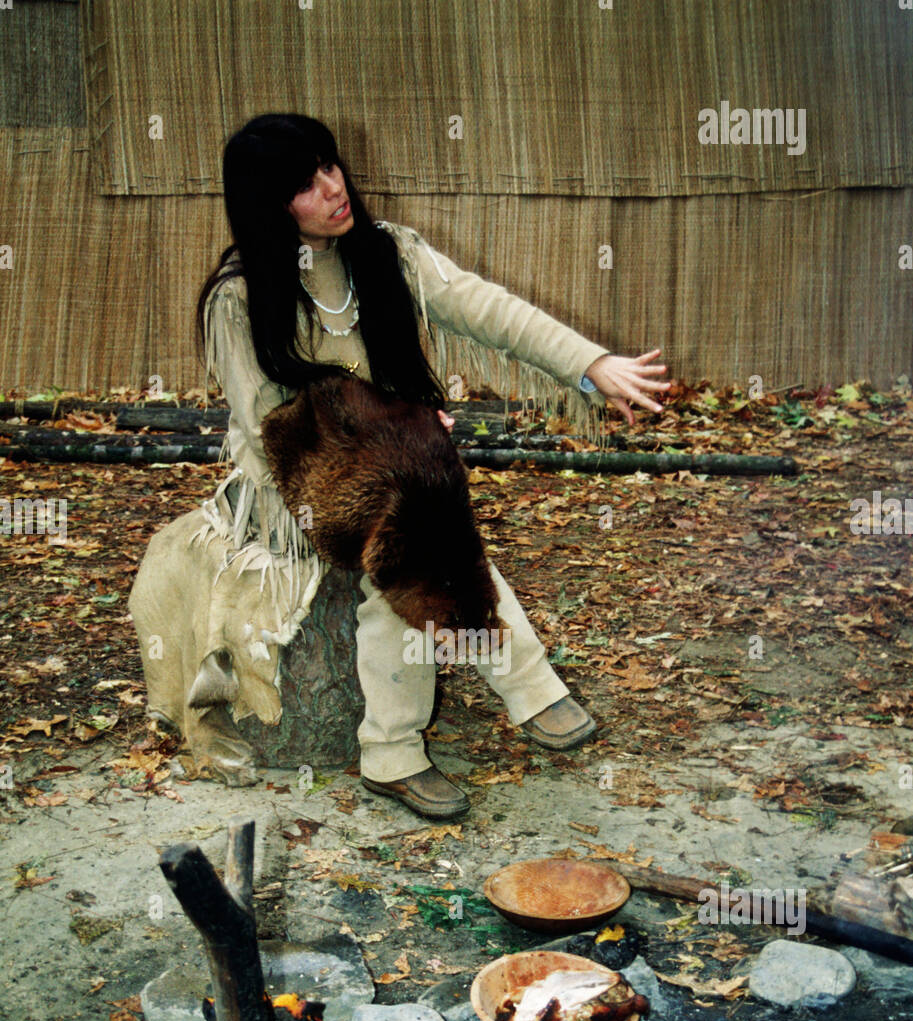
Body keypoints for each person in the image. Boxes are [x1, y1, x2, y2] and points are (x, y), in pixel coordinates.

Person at [133, 113, 670, 820]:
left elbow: (488, 309)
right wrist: (398, 438)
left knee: (407, 522)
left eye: (330, 166)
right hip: (288, 498)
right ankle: (525, 688)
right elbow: (274, 433)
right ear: (267, 202)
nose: (333, 188)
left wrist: (588, 364)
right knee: (407, 525)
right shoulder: (238, 299)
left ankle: (392, 753)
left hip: (395, 488)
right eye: (305, 182)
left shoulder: (386, 253)